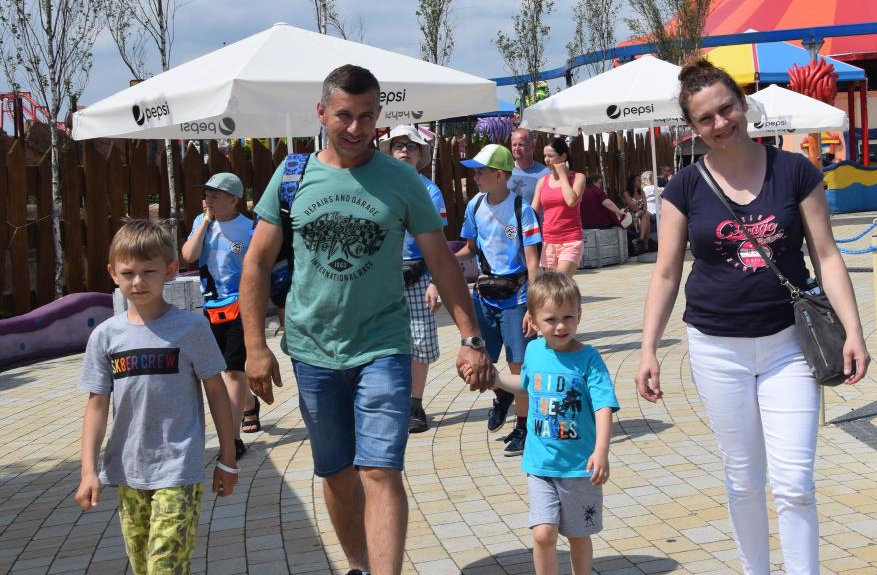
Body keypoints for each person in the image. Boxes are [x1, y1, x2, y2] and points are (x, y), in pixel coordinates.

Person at [240, 65, 491, 575]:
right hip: (312, 350)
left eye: (367, 117)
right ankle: (357, 564)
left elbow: (441, 261)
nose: (356, 128)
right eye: (344, 116)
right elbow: (256, 263)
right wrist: (255, 347)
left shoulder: (402, 180)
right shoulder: (292, 176)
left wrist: (471, 337)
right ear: (321, 113)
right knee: (335, 472)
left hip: (383, 346)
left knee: (380, 470)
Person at [635, 59, 870, 575]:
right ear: (692, 127)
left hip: (790, 345)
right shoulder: (684, 187)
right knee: (743, 480)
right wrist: (648, 348)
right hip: (717, 349)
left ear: (743, 104)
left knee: (794, 482)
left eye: (726, 109)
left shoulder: (795, 171)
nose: (720, 124)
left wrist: (853, 331)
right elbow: (666, 273)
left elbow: (827, 255)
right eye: (706, 118)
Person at [76, 220, 239, 575]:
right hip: (127, 470)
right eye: (128, 273)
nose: (138, 282)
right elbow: (97, 405)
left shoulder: (192, 328)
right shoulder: (105, 337)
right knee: (143, 567)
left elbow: (216, 392)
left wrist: (228, 458)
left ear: (170, 270)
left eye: (148, 272)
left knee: (165, 567)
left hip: (179, 468)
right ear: (112, 274)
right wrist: (88, 471)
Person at [489, 272, 618, 575]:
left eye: (568, 317)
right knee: (543, 534)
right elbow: (525, 385)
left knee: (578, 536)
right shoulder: (534, 351)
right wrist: (496, 379)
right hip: (540, 465)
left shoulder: (589, 359)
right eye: (551, 319)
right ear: (533, 321)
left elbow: (603, 406)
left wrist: (601, 451)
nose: (561, 326)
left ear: (579, 315)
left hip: (579, 468)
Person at [457, 143, 543, 456]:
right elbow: (470, 249)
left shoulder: (522, 209)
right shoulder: (475, 205)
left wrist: (533, 306)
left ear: (499, 175)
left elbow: (532, 263)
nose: (475, 177)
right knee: (474, 362)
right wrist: (444, 264)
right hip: (484, 296)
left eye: (480, 172)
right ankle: (503, 393)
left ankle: (523, 427)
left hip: (516, 297)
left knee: (518, 366)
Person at [180, 172, 258, 458]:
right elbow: (189, 255)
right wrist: (205, 223)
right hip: (211, 307)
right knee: (223, 367)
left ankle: (232, 438)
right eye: (206, 195)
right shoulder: (201, 222)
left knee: (233, 370)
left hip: (241, 305)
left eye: (214, 196)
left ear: (233, 200)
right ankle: (248, 404)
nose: (207, 201)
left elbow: (257, 267)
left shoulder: (249, 228)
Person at [382, 125, 447, 435]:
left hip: (419, 273)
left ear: (421, 154)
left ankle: (414, 404)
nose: (404, 151)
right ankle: (392, 402)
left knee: (420, 342)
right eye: (398, 145)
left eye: (411, 146)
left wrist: (436, 281)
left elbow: (439, 241)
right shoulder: (378, 187)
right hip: (383, 276)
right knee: (385, 342)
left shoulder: (431, 191)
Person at [533, 138, 586, 278]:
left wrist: (562, 174)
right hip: (548, 241)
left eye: (550, 156)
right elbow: (533, 211)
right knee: (552, 287)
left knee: (561, 282)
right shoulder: (542, 182)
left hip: (571, 240)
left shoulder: (578, 177)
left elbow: (571, 201)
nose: (546, 160)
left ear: (563, 156)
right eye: (544, 156)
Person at [508, 128, 550, 205]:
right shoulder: (504, 171)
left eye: (521, 145)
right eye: (514, 145)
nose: (517, 148)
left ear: (532, 146)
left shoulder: (545, 174)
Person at [621, 174, 652, 250]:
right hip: (631, 217)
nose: (641, 182)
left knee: (647, 217)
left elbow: (645, 207)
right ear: (633, 182)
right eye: (638, 180)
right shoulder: (626, 193)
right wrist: (641, 212)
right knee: (647, 219)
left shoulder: (642, 192)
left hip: (642, 216)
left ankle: (641, 241)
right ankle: (645, 246)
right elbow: (632, 207)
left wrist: (642, 212)